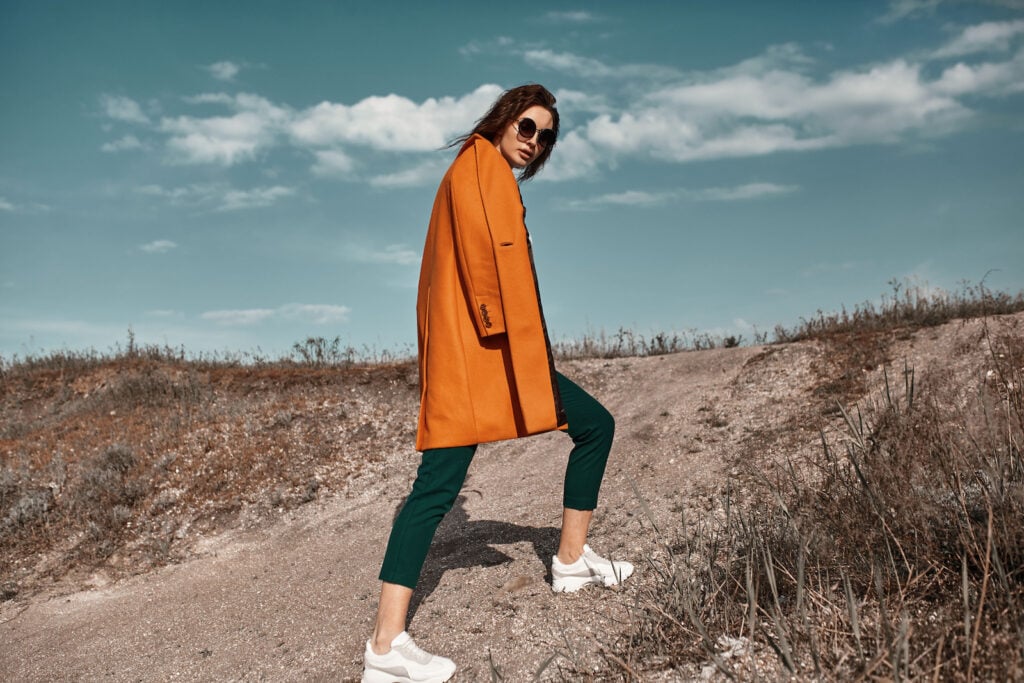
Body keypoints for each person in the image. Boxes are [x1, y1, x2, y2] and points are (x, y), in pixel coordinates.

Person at [361, 84, 634, 683]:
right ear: (504, 119)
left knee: (595, 424)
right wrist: (499, 330)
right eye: (528, 127)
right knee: (435, 490)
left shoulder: (478, 170)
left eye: (545, 136)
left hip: (493, 356)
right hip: (482, 358)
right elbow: (485, 261)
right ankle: (385, 647)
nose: (534, 142)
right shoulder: (480, 167)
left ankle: (568, 559)